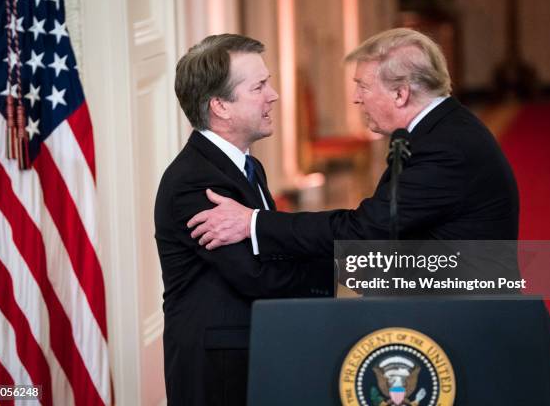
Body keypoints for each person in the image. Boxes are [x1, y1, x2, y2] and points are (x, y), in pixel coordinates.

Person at [187, 28, 520, 259]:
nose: (356, 99)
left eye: (363, 87)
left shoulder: (444, 148)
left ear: (400, 93)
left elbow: (367, 231)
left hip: (465, 316)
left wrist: (253, 223)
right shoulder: (440, 129)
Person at [155, 34, 333, 406]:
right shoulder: (195, 181)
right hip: (218, 370)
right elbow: (256, 273)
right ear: (220, 105)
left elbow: (273, 250)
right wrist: (340, 270)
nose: (274, 95)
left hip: (248, 352)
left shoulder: (248, 167)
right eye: (259, 87)